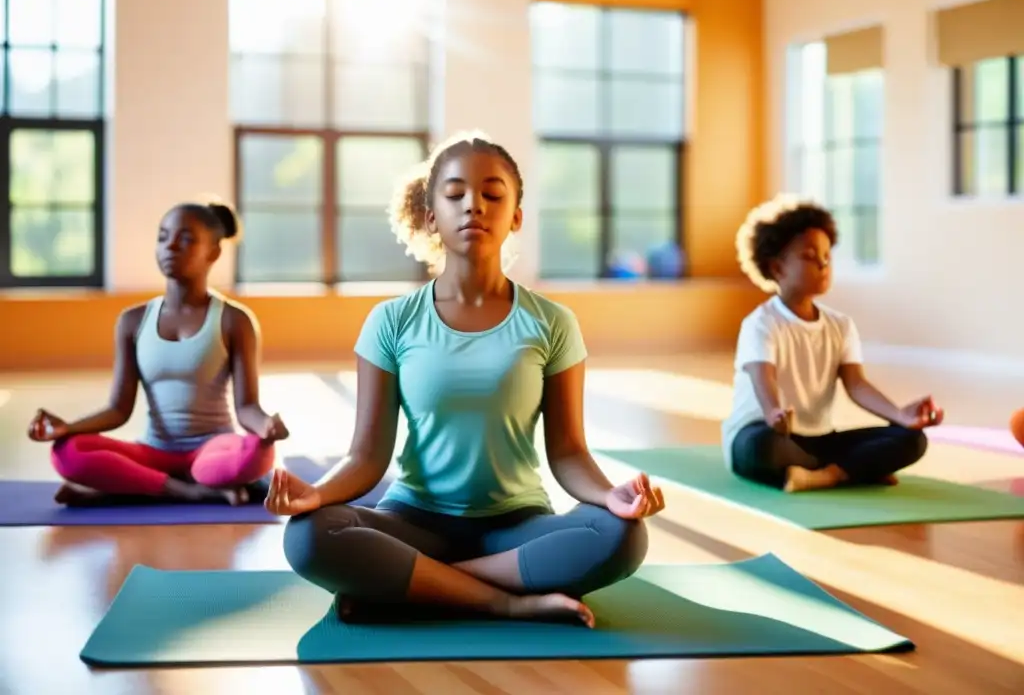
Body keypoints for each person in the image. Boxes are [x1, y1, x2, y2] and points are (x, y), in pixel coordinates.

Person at [264, 131, 662, 628]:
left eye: (492, 194)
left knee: (622, 535)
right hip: (413, 520)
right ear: (432, 216)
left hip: (517, 526)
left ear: (516, 216)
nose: (473, 205)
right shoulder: (391, 322)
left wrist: (611, 497)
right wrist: (317, 495)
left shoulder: (553, 322)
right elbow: (366, 457)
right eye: (454, 195)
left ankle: (416, 585)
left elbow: (568, 452)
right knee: (308, 535)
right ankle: (503, 600)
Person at [26, 200, 288, 506]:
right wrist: (68, 427)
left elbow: (247, 408)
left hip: (212, 451)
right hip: (152, 451)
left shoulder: (235, 320)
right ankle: (190, 491)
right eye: (163, 237)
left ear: (213, 252)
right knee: (67, 451)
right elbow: (118, 409)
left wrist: (266, 427)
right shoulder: (133, 321)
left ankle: (122, 491)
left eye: (186, 239)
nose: (170, 247)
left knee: (257, 454)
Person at [721, 195, 943, 493]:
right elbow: (764, 377)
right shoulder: (760, 323)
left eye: (827, 255)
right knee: (761, 449)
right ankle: (856, 470)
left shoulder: (841, 325)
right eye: (810, 256)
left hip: (820, 440)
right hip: (768, 433)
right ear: (777, 268)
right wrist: (774, 412)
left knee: (912, 440)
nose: (823, 263)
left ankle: (828, 475)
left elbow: (857, 385)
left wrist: (900, 414)